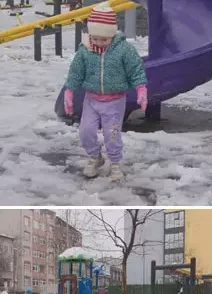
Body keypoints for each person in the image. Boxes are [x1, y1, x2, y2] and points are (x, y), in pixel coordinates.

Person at [63, 2, 147, 182]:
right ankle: (95, 157)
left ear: (112, 34)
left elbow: (136, 70)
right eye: (95, 38)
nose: (99, 43)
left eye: (104, 39)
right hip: (91, 100)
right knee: (85, 131)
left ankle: (115, 162)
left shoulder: (123, 50)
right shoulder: (85, 51)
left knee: (112, 134)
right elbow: (76, 72)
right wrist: (69, 91)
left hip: (115, 101)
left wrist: (141, 89)